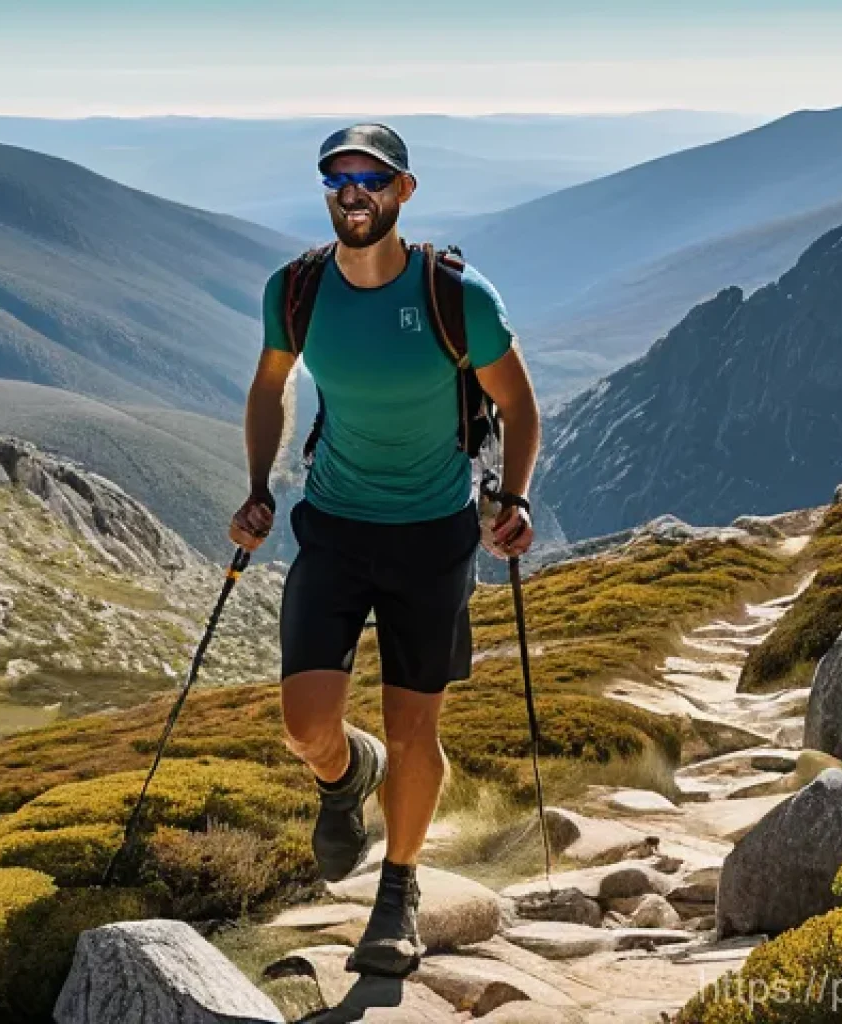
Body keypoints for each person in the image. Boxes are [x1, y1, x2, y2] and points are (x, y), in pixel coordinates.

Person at [229, 123, 540, 977]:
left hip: (433, 538)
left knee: (415, 729)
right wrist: (258, 486)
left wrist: (513, 500)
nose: (352, 192)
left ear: (405, 190)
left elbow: (519, 406)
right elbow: (270, 384)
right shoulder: (297, 290)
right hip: (333, 524)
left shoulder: (458, 296)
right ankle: (345, 775)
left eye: (371, 177)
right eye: (338, 178)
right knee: (305, 724)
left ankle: (397, 891)